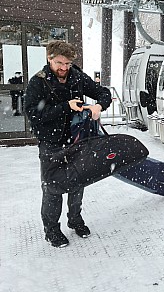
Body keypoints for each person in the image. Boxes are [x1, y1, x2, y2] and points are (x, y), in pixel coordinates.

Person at [24, 41, 112, 248]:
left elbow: (103, 92)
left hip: (77, 140)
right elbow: (34, 115)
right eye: (59, 63)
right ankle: (52, 230)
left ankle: (75, 220)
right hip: (51, 144)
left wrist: (99, 105)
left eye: (68, 63)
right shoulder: (38, 82)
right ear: (49, 59)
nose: (64, 67)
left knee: (78, 182)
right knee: (53, 188)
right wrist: (66, 106)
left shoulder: (77, 77)